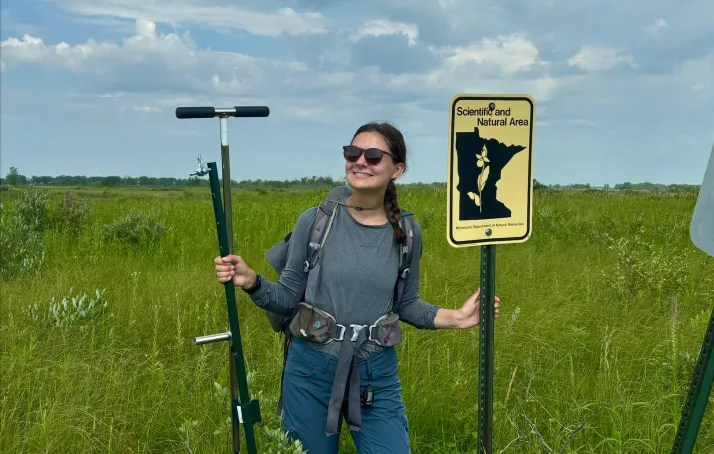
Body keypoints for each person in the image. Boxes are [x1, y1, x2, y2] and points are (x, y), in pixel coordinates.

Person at [213, 121, 500, 453]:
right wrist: (253, 282)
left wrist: (458, 317)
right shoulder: (315, 221)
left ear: (398, 169)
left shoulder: (408, 232)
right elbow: (288, 297)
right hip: (310, 369)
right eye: (353, 153)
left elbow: (407, 305)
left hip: (375, 372)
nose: (361, 161)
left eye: (374, 155)